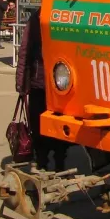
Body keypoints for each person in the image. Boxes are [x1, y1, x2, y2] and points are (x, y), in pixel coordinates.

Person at [15, 11, 67, 172]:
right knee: (39, 125)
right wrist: (21, 85)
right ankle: (43, 161)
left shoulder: (65, 16)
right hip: (42, 83)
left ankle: (58, 163)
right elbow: (25, 52)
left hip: (60, 84)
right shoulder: (36, 19)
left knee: (59, 126)